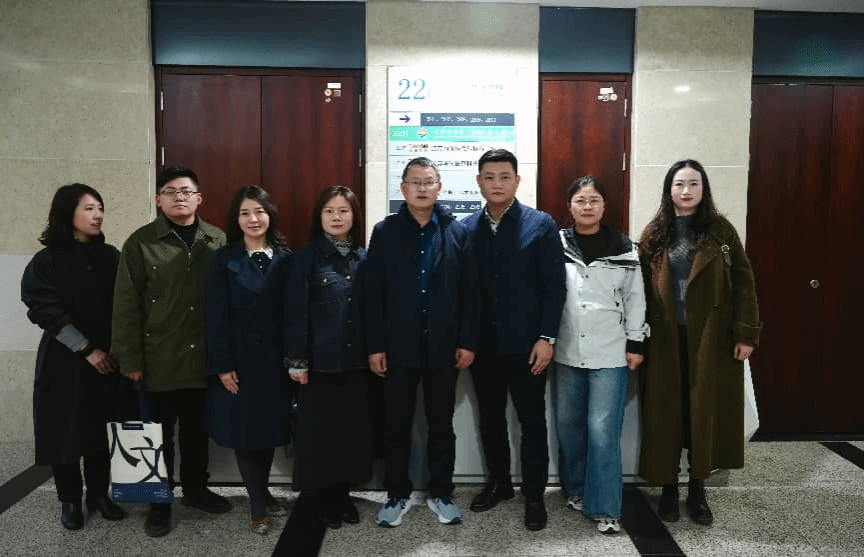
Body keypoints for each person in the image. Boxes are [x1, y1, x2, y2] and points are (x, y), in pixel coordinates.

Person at [638, 159, 761, 526]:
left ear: (704, 188)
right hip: (664, 339)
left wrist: (746, 333)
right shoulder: (654, 233)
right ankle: (668, 488)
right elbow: (637, 289)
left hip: (711, 338)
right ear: (669, 189)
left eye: (694, 183)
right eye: (679, 184)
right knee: (666, 414)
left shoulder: (721, 231)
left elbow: (744, 282)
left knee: (702, 413)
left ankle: (697, 488)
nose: (686, 190)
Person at [111, 166, 229, 537]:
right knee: (155, 435)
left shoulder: (217, 239)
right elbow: (126, 305)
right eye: (170, 191)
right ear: (158, 199)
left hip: (203, 358)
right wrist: (129, 359)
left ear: (199, 198)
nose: (179, 197)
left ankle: (195, 490)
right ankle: (158, 504)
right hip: (157, 358)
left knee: (197, 432)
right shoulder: (140, 242)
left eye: (186, 191)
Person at [364, 157, 478, 527]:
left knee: (441, 424)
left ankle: (441, 493)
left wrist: (467, 340)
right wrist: (375, 345)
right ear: (403, 188)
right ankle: (397, 494)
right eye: (415, 181)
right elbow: (374, 294)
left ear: (439, 187)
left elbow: (470, 292)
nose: (422, 187)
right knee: (396, 425)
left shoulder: (457, 231)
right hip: (397, 346)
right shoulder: (385, 231)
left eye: (429, 181)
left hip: (444, 346)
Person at [463, 148, 566, 531]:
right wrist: (464, 341)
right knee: (490, 418)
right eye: (489, 177)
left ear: (517, 180)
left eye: (504, 176)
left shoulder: (540, 224)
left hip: (528, 346)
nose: (497, 184)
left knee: (531, 421)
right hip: (483, 346)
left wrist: (546, 337)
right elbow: (462, 292)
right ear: (478, 181)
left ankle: (534, 494)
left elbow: (554, 287)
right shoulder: (464, 229)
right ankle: (499, 483)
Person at [21, 183, 127, 530]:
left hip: (107, 359)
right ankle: (69, 499)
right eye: (88, 208)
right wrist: (86, 349)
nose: (98, 215)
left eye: (100, 208)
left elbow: (126, 305)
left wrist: (116, 349)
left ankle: (98, 495)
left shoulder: (111, 256)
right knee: (63, 432)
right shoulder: (46, 260)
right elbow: (42, 309)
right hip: (64, 359)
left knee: (101, 429)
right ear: (68, 213)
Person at [552, 176, 649, 535]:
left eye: (594, 200)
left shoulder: (625, 249)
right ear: (570, 206)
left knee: (603, 430)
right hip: (566, 350)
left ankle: (606, 506)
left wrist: (636, 343)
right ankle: (575, 489)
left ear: (604, 206)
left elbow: (636, 300)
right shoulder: (556, 244)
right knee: (569, 426)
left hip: (610, 353)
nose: (587, 206)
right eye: (580, 200)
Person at [281, 185, 372, 530]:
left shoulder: (364, 258)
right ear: (319, 217)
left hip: (356, 363)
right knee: (319, 436)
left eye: (343, 211)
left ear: (354, 216)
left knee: (350, 433)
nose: (336, 217)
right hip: (318, 364)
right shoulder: (304, 259)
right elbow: (295, 314)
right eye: (329, 211)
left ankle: (342, 495)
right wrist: (297, 361)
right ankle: (320, 497)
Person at [204, 186, 293, 535]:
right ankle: (257, 504)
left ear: (270, 215)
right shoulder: (224, 259)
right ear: (236, 220)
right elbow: (214, 317)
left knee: (269, 431)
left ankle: (264, 491)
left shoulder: (287, 258)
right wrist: (222, 365)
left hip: (276, 363)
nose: (253, 219)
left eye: (259, 211)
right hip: (238, 362)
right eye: (245, 213)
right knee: (244, 433)